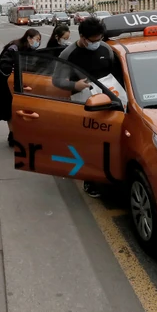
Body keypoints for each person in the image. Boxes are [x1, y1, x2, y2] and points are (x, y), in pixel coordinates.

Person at [52, 17, 115, 198]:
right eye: (93, 40)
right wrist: (74, 86)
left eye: (99, 39)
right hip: (82, 103)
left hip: (108, 101)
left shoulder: (106, 49)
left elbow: (115, 73)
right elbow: (57, 80)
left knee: (106, 142)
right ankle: (91, 179)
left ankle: (106, 173)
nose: (96, 43)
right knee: (87, 143)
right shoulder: (68, 54)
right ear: (82, 37)